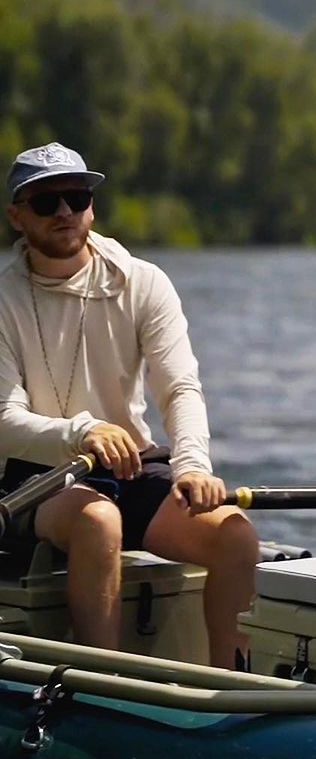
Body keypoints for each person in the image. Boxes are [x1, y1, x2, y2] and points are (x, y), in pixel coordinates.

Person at [0, 142, 259, 668]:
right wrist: (82, 431)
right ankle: (106, 685)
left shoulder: (143, 282)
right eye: (47, 203)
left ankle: (230, 695)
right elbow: (4, 419)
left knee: (235, 535)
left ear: (92, 206)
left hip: (132, 465)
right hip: (37, 478)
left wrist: (192, 467)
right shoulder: (3, 300)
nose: (66, 212)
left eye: (76, 197)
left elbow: (180, 387)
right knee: (99, 521)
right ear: (17, 216)